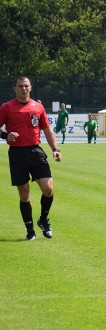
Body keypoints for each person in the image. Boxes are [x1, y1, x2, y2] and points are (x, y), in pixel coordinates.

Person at [0, 76, 62, 240]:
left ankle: (43, 220)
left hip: (35, 151)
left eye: (26, 86)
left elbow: (47, 130)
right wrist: (7, 135)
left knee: (48, 188)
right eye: (20, 86)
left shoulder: (38, 107)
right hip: (17, 154)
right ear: (14, 88)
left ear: (31, 87)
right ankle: (30, 231)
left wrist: (55, 149)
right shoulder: (7, 107)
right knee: (24, 194)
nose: (23, 89)